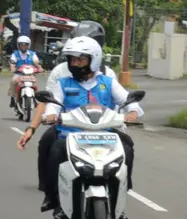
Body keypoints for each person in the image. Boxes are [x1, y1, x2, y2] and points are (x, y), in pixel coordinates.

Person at [41, 36, 142, 219]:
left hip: (106, 134)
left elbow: (127, 101)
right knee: (54, 149)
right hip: (71, 134)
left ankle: (120, 195)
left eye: (80, 59)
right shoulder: (63, 83)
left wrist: (132, 112)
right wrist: (50, 114)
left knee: (127, 147)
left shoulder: (108, 82)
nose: (74, 63)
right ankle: (53, 196)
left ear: (93, 59)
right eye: (72, 59)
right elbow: (53, 106)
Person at [18, 28, 119, 193]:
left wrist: (127, 117)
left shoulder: (108, 75)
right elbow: (48, 102)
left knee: (127, 146)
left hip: (102, 128)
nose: (76, 60)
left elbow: (120, 101)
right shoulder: (61, 71)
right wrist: (31, 129)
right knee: (47, 144)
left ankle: (119, 191)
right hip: (68, 126)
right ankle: (49, 191)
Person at [8, 35, 43, 108]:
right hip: (19, 74)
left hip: (30, 74)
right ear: (19, 45)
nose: (23, 47)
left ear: (28, 45)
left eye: (25, 45)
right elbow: (12, 62)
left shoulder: (32, 54)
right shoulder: (15, 54)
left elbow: (36, 62)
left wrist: (39, 68)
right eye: (21, 45)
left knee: (35, 85)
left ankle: (34, 99)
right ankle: (13, 97)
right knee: (13, 80)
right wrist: (13, 68)